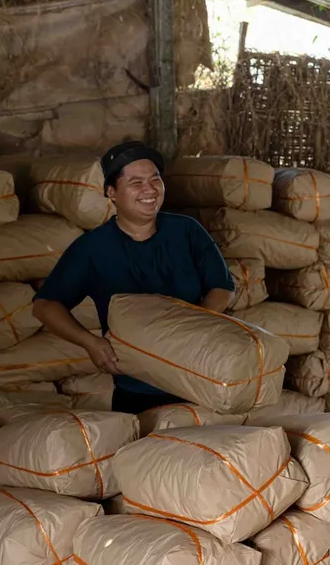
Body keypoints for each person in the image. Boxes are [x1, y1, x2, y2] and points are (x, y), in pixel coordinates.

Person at [33, 141, 235, 415]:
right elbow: (45, 305)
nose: (149, 189)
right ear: (111, 192)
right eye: (136, 182)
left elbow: (222, 288)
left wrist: (193, 329)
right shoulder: (93, 249)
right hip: (137, 391)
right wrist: (91, 342)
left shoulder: (186, 231)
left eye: (155, 179)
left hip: (197, 381)